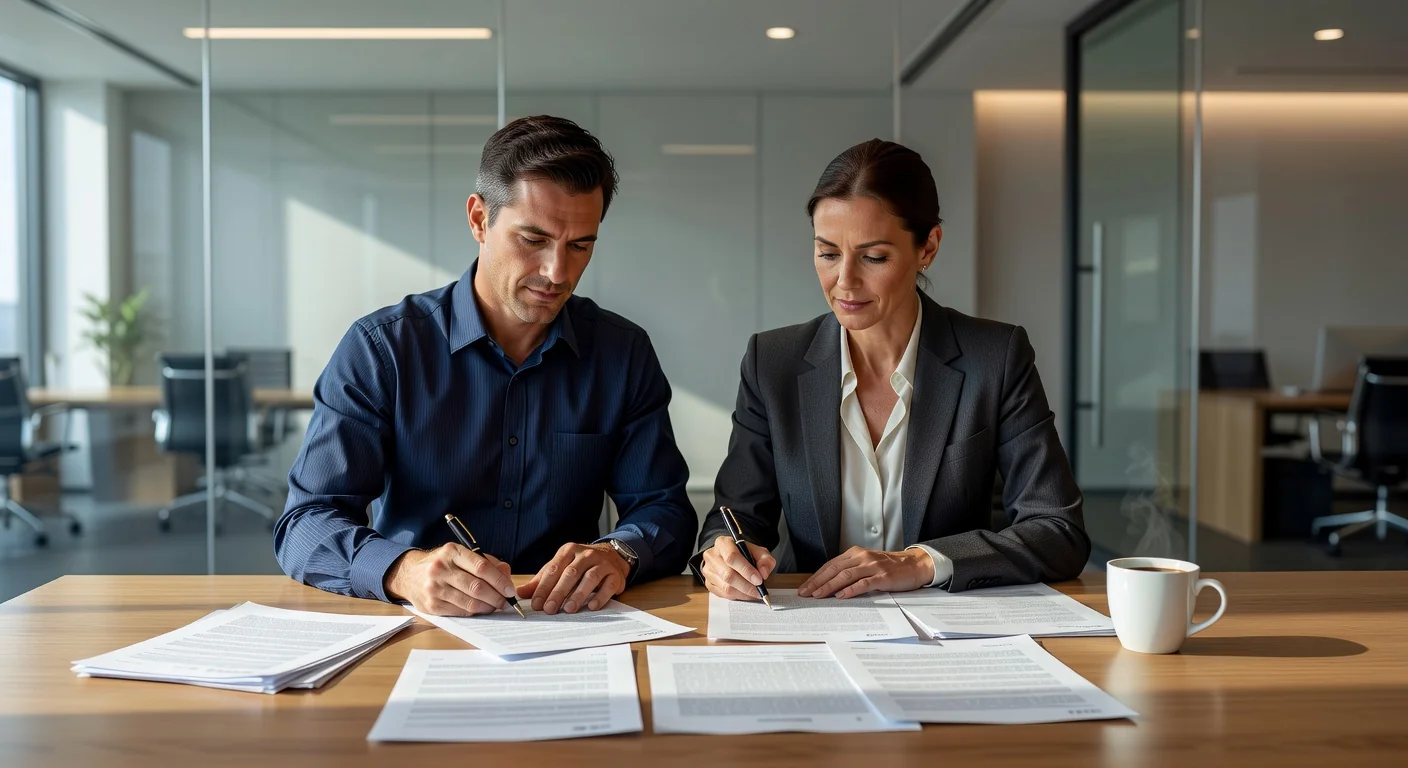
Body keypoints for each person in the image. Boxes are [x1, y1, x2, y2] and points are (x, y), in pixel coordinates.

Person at [276, 115, 697, 617]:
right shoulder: (382, 349)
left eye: (580, 245)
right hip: (419, 625)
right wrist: (401, 570)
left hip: (569, 628)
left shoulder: (621, 353)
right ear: (479, 219)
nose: (557, 273)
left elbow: (665, 509)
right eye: (533, 239)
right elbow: (305, 523)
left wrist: (619, 552)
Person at [694, 138, 1088, 601]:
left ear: (928, 247)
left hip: (953, 632)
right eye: (827, 253)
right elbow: (734, 516)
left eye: (873, 257)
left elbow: (1058, 530)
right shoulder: (772, 362)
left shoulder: (995, 357)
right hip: (815, 623)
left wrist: (922, 562)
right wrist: (722, 554)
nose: (845, 281)